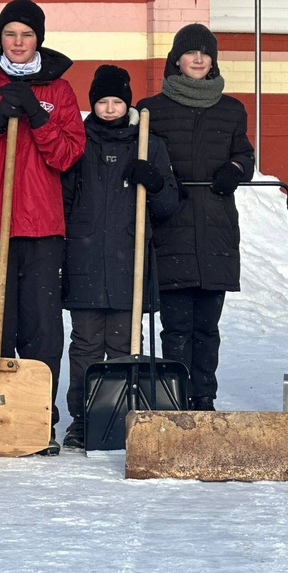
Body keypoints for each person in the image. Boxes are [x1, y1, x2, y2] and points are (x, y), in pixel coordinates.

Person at [0, 0, 86, 456]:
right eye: (10, 34)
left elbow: (67, 155)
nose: (18, 42)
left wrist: (38, 117)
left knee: (42, 327)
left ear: (38, 39)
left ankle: (38, 419)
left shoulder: (59, 92)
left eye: (26, 34)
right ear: (0, 39)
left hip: (40, 226)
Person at [136, 23, 254, 410]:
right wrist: (156, 180)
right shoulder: (152, 110)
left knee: (206, 328)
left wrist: (235, 169)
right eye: (190, 52)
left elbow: (245, 155)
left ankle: (203, 398)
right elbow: (139, 156)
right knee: (176, 328)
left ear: (213, 61)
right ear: (177, 60)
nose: (198, 59)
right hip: (171, 227)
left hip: (216, 229)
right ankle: (174, 399)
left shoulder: (231, 110)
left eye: (205, 53)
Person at [60, 65, 179, 449]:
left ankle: (122, 415)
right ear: (92, 104)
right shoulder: (78, 143)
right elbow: (62, 201)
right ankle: (83, 419)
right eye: (102, 102)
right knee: (85, 343)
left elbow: (168, 206)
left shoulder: (148, 145)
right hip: (85, 259)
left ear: (127, 104)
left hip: (130, 258)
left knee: (125, 343)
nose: (110, 108)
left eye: (116, 101)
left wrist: (155, 183)